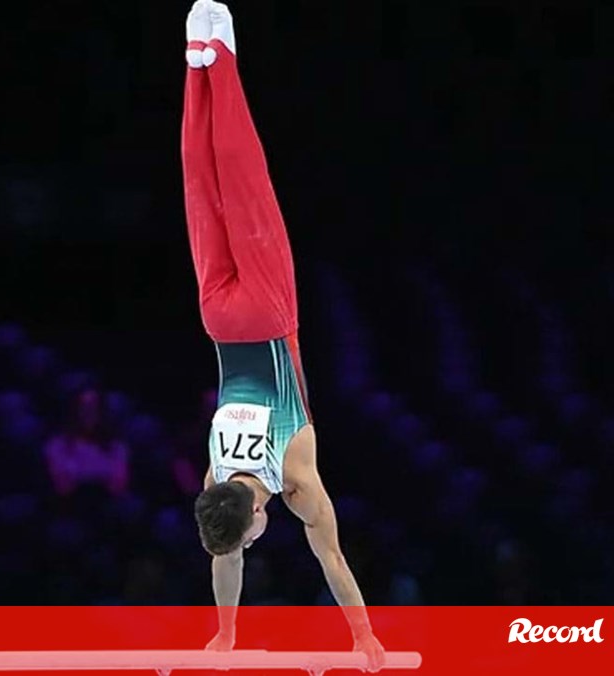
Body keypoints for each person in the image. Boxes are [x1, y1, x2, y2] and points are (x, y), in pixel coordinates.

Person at [180, 1, 385, 669]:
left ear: (259, 522)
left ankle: (225, 57)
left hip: (269, 314)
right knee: (202, 189)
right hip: (216, 319)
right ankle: (197, 64)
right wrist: (226, 636)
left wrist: (365, 638)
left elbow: (332, 558)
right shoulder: (213, 480)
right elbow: (222, 554)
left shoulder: (296, 480)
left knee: (244, 182)